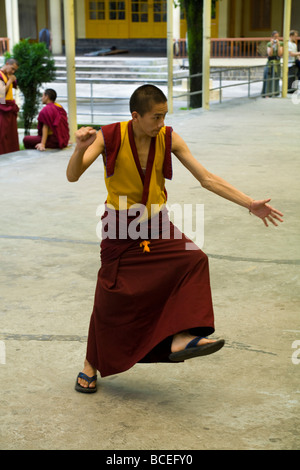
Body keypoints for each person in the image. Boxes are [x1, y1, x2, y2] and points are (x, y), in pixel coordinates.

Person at [66, 85, 284, 393]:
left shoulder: (168, 138)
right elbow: (73, 175)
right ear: (136, 116)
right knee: (110, 296)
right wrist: (78, 148)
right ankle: (91, 362)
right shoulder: (110, 136)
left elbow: (206, 178)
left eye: (164, 116)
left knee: (193, 260)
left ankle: (181, 336)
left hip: (156, 224)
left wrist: (249, 203)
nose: (160, 124)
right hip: (119, 226)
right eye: (155, 117)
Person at [0, 58, 20, 155]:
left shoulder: (8, 75)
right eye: (12, 69)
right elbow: (1, 93)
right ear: (7, 63)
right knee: (3, 134)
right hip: (2, 108)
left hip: (9, 107)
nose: (13, 72)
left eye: (14, 70)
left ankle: (10, 152)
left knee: (10, 134)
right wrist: (10, 81)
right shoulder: (0, 75)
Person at [262, 31, 283, 98]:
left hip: (277, 62)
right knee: (268, 78)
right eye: (274, 37)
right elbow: (270, 54)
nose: (276, 38)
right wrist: (271, 45)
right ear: (272, 37)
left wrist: (278, 44)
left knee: (276, 77)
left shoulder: (281, 43)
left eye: (277, 36)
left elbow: (280, 54)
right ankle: (267, 94)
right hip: (270, 63)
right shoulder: (269, 44)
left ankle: (275, 93)